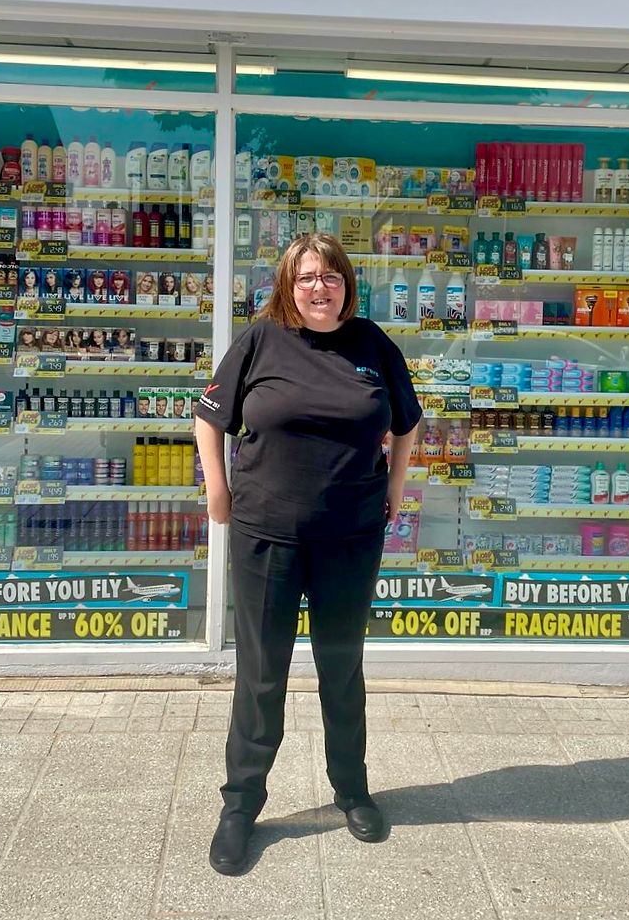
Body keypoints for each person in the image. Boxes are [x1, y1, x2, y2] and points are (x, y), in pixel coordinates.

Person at [194, 233, 421, 875]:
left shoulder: (373, 343)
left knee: (340, 669)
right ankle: (241, 806)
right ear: (288, 289)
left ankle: (351, 790)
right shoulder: (262, 340)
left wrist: (396, 486)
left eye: (331, 276)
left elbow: (405, 423)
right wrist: (218, 488)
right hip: (267, 532)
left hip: (350, 534)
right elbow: (210, 417)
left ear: (348, 284)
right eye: (306, 278)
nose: (319, 287)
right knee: (262, 675)